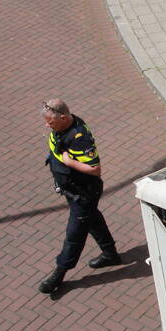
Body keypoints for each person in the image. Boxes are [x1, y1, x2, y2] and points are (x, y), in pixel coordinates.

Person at [38, 99, 121, 294]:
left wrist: (70, 162)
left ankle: (58, 275)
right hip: (73, 190)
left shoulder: (79, 137)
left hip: (83, 194)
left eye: (50, 122)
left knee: (74, 235)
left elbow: (95, 169)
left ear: (64, 117)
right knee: (92, 220)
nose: (47, 125)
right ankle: (110, 254)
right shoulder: (62, 127)